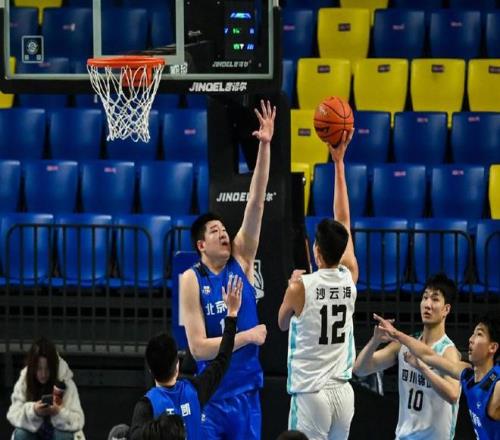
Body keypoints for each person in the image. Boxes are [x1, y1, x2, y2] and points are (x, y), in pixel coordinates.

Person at [179, 99, 275, 439]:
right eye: (214, 231)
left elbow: (256, 201)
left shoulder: (242, 260)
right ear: (201, 245)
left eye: (224, 229)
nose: (223, 233)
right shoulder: (191, 280)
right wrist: (248, 336)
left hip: (246, 395)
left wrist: (265, 146)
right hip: (211, 397)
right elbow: (198, 349)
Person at [278, 129, 359, 440]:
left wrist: (290, 288)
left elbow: (282, 323)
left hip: (312, 392)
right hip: (343, 392)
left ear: (316, 251)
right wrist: (339, 164)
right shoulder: (350, 276)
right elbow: (344, 219)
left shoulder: (300, 286)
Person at [130, 274, 243, 440]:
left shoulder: (146, 406)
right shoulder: (195, 391)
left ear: (150, 370)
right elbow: (222, 359)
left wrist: (159, 429)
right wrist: (232, 314)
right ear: (177, 365)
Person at [353, 273, 462, 439]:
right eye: (425, 298)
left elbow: (453, 395)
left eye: (435, 299)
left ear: (446, 309)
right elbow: (360, 369)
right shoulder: (405, 345)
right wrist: (375, 341)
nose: (428, 304)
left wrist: (423, 368)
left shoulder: (448, 351)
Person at [374, 311, 500, 440]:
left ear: (493, 347)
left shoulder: (496, 385)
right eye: (473, 334)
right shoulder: (467, 374)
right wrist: (396, 334)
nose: (471, 339)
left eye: (479, 334)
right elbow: (428, 356)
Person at [7, 337, 85, 440]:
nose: (43, 374)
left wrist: (58, 412)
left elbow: (78, 420)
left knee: (63, 436)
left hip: (57, 432)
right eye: (39, 368)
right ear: (33, 367)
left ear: (53, 367)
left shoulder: (65, 381)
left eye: (47, 368)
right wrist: (34, 411)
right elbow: (13, 414)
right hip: (35, 433)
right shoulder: (25, 381)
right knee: (21, 434)